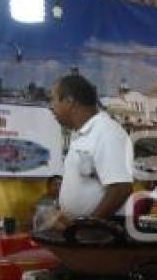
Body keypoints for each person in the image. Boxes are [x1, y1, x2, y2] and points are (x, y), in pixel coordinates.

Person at [48, 74, 133, 228]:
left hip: (103, 235)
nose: (51, 106)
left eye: (53, 99)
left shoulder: (106, 132)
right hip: (81, 232)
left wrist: (89, 226)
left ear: (69, 101)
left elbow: (121, 188)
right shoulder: (81, 134)